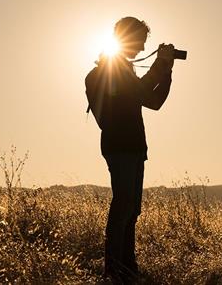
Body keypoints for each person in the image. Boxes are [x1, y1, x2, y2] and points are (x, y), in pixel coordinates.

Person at [85, 16, 175, 283]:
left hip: (134, 146)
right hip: (120, 145)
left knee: (132, 210)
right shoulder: (107, 70)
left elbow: (154, 100)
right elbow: (140, 92)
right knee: (123, 206)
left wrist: (166, 70)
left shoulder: (124, 70)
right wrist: (161, 64)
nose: (140, 49)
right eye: (139, 42)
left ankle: (127, 267)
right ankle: (114, 269)